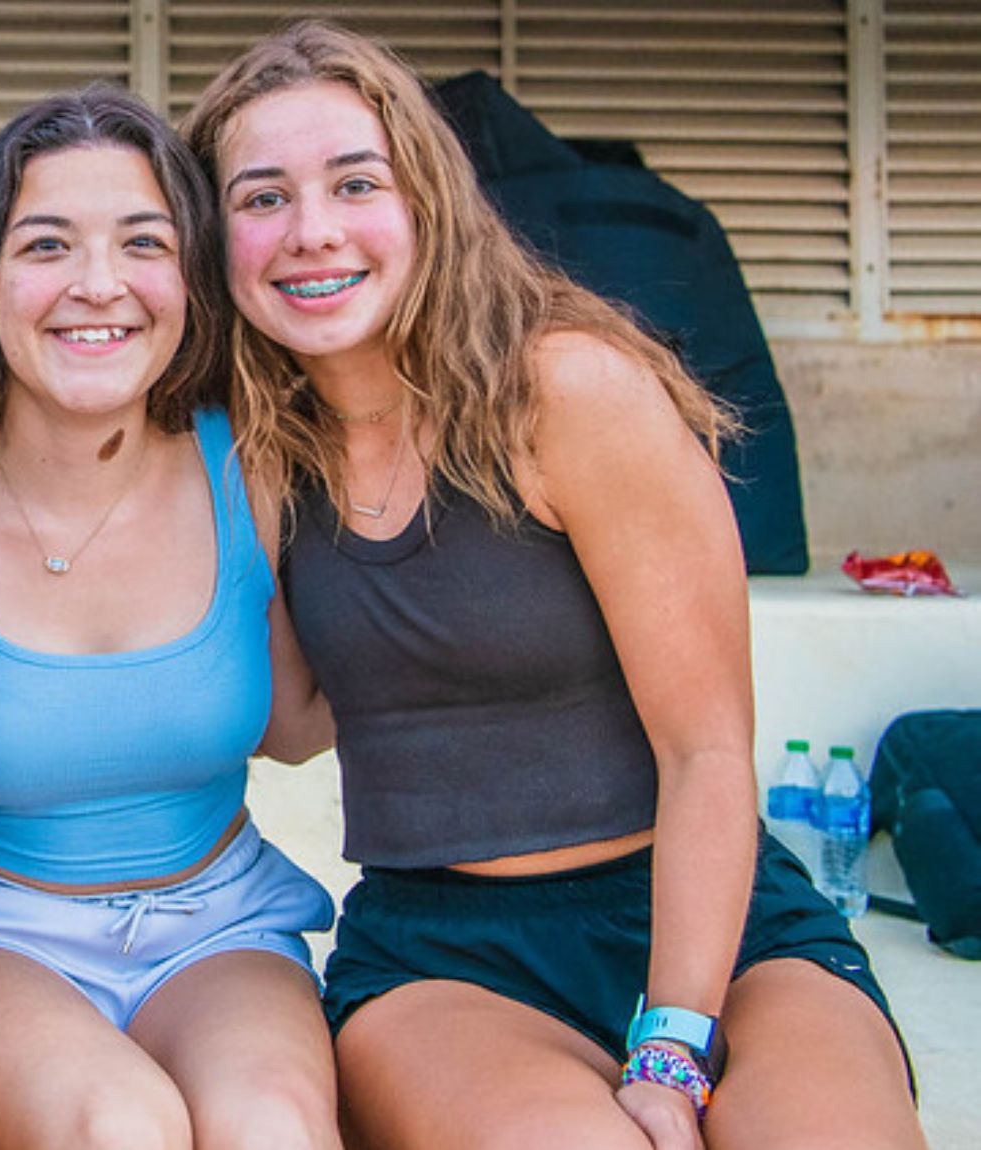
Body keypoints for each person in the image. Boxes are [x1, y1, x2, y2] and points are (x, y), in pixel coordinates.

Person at [182, 20, 924, 1150]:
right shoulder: (259, 452)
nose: (311, 230)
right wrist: (254, 493)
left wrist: (670, 1052)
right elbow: (287, 729)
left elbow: (707, 750)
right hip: (440, 957)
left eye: (353, 182)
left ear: (426, 199)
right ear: (212, 237)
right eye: (261, 198)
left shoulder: (564, 390)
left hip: (706, 917)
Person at [0, 87, 340, 1150]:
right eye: (45, 245)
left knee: (272, 1130)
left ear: (192, 277)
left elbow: (297, 725)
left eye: (142, 242)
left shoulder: (252, 464)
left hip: (218, 921)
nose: (97, 285)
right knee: (117, 1126)